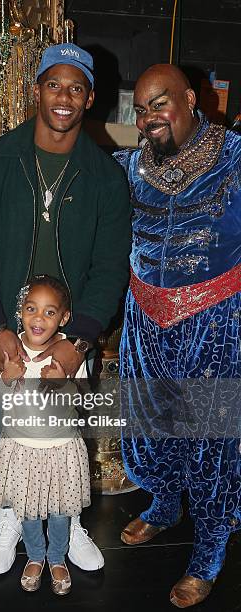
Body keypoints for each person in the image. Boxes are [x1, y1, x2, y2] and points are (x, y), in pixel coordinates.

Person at [0, 42, 131, 574]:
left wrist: (77, 343)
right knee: (7, 432)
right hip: (7, 332)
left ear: (90, 98)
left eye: (76, 88)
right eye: (54, 84)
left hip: (70, 340)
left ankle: (68, 523)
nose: (64, 97)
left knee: (64, 435)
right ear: (36, 90)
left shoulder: (105, 176)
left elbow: (110, 266)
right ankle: (8, 515)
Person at [115, 64, 241, 608]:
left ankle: (210, 548)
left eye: (160, 104)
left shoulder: (235, 158)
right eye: (141, 110)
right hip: (143, 319)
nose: (148, 119)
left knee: (210, 440)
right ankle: (164, 505)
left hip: (213, 321)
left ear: (191, 99)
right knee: (150, 425)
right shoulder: (129, 167)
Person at [0, 274, 91, 595]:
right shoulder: (11, 353)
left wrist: (65, 383)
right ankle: (34, 555)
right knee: (28, 511)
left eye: (50, 312)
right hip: (21, 449)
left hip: (61, 449)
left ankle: (57, 557)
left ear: (64, 318)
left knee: (60, 510)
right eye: (32, 309)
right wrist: (6, 379)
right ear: (20, 311)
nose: (39, 318)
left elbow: (84, 402)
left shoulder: (70, 357)